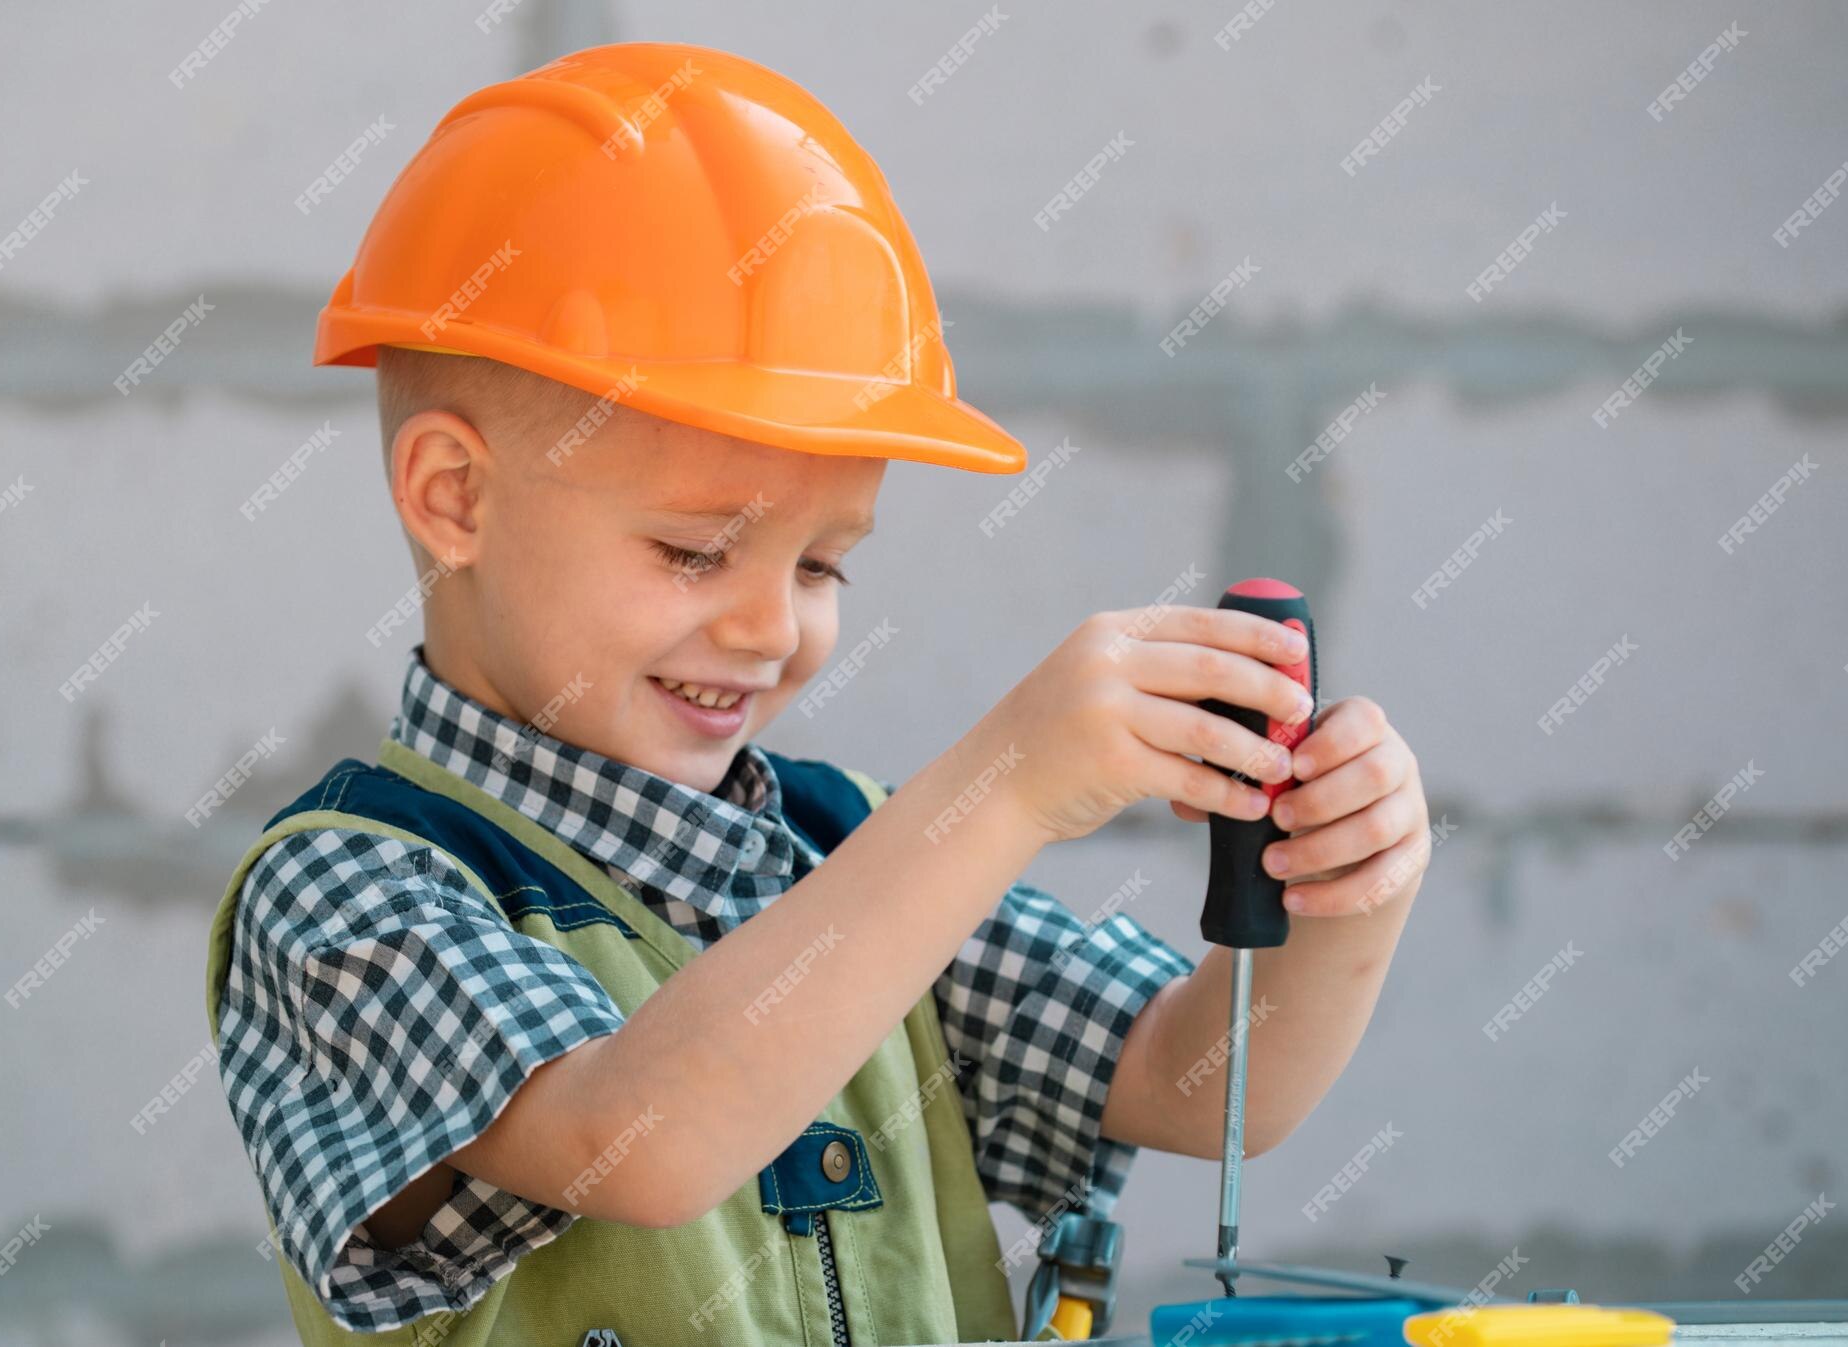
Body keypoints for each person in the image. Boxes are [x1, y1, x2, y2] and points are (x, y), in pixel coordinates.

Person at [205, 40, 1431, 1346]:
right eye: (694, 550)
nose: (770, 623)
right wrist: (1001, 789)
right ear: (456, 498)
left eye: (826, 562)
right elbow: (641, 1140)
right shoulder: (353, 897)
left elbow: (1204, 1090)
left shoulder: (852, 848)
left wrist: (1346, 887)